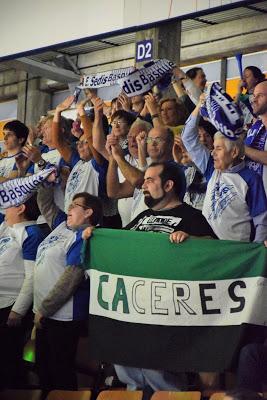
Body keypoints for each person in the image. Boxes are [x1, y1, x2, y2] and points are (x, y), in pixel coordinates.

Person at [83, 161, 215, 393]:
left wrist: (192, 241)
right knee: (128, 369)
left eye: (150, 180)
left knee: (160, 376)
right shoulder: (143, 216)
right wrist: (96, 234)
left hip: (165, 313)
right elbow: (118, 241)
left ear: (169, 185)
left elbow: (216, 249)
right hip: (132, 309)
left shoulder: (191, 216)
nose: (143, 185)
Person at [34, 183, 103, 392]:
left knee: (60, 372)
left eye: (74, 205)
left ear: (88, 212)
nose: (69, 209)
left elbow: (71, 279)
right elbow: (45, 204)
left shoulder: (86, 237)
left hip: (63, 316)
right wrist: (45, 182)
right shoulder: (62, 226)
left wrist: (44, 310)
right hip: (44, 313)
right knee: (43, 370)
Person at [182, 95, 267, 242]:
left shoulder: (251, 178)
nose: (212, 153)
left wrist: (256, 253)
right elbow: (188, 137)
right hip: (209, 244)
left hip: (237, 250)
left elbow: (261, 220)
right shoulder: (211, 169)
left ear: (234, 152)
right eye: (213, 148)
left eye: (218, 148)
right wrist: (199, 104)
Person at [0, 194, 44, 388]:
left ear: (21, 208)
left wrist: (18, 309)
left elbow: (32, 276)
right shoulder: (7, 229)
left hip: (10, 306)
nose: (3, 210)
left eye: (8, 206)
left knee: (8, 360)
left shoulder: (31, 232)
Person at [245, 80, 267, 194]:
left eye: (260, 95)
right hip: (255, 200)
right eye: (254, 95)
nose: (254, 99)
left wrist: (243, 149)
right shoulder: (256, 126)